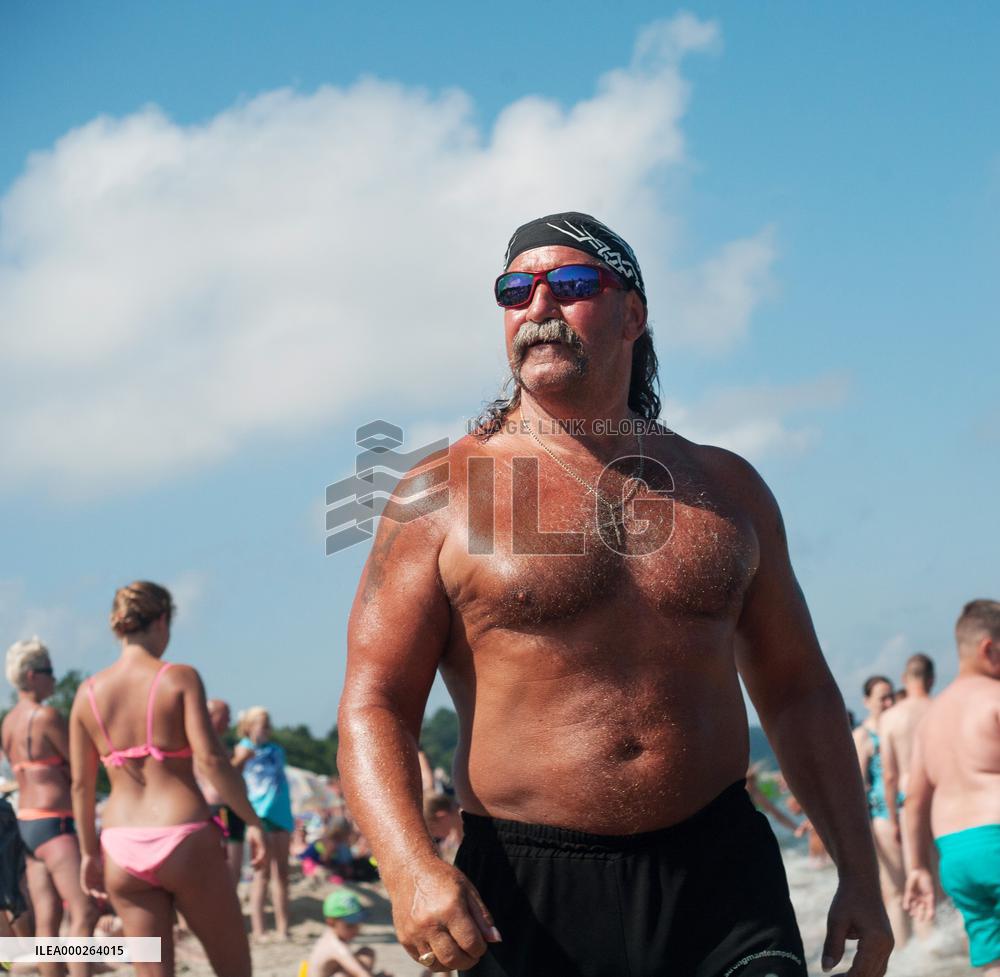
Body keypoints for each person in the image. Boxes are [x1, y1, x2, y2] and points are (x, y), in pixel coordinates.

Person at [338, 212, 892, 976]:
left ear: (632, 312)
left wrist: (861, 873)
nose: (538, 308)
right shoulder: (438, 495)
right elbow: (374, 702)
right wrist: (408, 866)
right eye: (515, 290)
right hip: (527, 893)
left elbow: (798, 691)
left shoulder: (727, 489)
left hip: (722, 873)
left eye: (569, 285)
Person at [69, 581, 265, 977]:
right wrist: (253, 821)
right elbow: (211, 760)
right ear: (162, 621)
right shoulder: (179, 677)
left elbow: (81, 786)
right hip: (183, 833)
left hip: (121, 846)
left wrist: (89, 853)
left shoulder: (86, 693)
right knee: (234, 969)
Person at [903, 600, 1000, 975]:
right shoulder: (994, 699)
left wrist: (917, 868)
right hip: (996, 837)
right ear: (988, 649)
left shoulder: (931, 719)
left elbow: (913, 802)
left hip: (955, 856)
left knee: (992, 961)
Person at [3, 638, 96, 976]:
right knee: (84, 911)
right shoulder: (46, 717)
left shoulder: (8, 722)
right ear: (31, 676)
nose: (54, 680)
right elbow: (81, 767)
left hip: (25, 824)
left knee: (47, 919)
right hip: (54, 822)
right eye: (49, 672)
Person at [852, 675, 909, 949]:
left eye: (891, 696)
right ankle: (906, 956)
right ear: (866, 702)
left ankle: (929, 957)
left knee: (920, 889)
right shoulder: (863, 735)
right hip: (883, 818)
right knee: (896, 891)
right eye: (881, 698)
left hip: (910, 814)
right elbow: (854, 786)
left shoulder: (899, 726)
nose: (888, 702)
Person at [233, 705, 294, 941]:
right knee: (262, 874)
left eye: (268, 724)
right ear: (249, 727)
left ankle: (283, 927)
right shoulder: (243, 748)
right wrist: (241, 758)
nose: (267, 729)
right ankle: (260, 930)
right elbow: (232, 773)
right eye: (262, 724)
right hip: (258, 815)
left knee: (283, 874)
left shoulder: (276, 750)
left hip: (281, 813)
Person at [879, 655, 935, 873]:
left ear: (904, 678)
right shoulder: (940, 708)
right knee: (946, 885)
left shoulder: (890, 718)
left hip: (908, 801)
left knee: (918, 875)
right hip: (939, 800)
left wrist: (892, 819)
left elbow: (889, 775)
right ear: (932, 679)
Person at [194, 698, 245, 885]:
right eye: (226, 716)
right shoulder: (205, 743)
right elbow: (221, 775)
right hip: (218, 807)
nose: (229, 722)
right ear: (211, 716)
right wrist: (241, 758)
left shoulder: (213, 742)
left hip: (226, 807)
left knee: (233, 867)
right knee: (228, 867)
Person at [298, 888, 375, 977]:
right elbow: (361, 974)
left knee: (367, 953)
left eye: (357, 923)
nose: (356, 929)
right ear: (331, 922)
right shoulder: (335, 946)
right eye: (350, 925)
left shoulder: (330, 936)